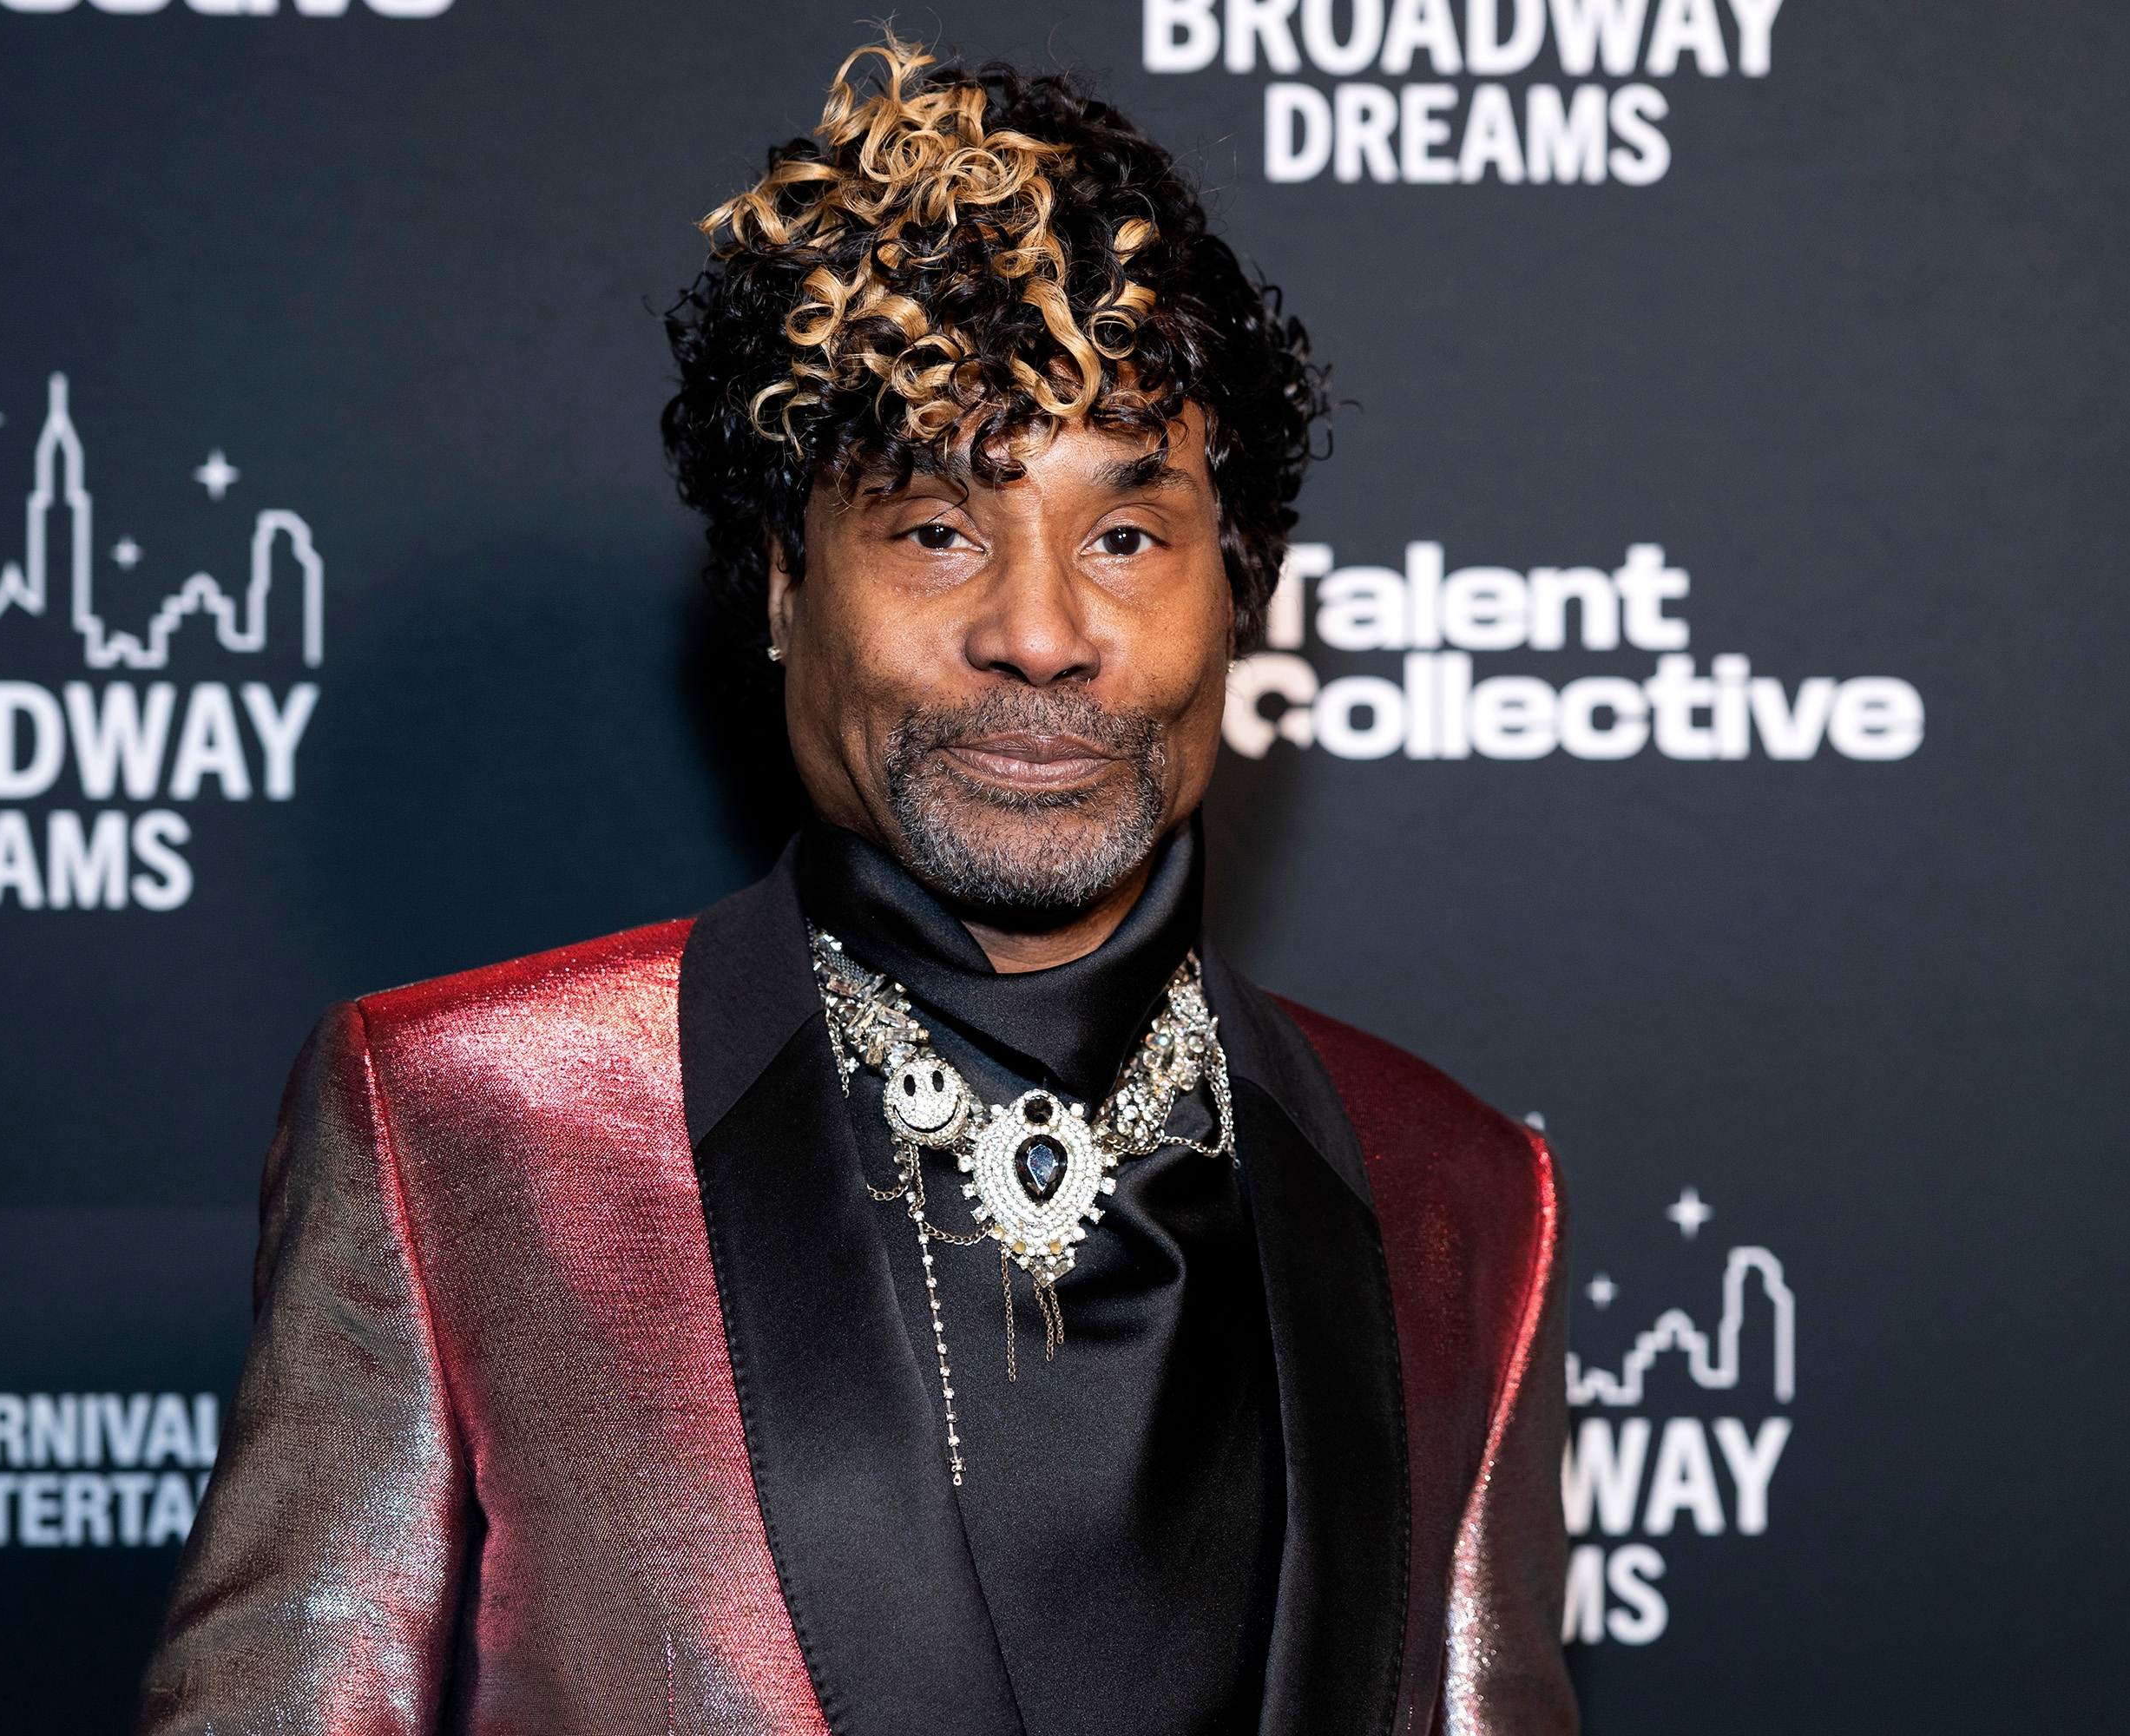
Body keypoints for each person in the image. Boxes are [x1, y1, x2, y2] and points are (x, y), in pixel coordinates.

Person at [137, 36, 1573, 1736]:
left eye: (1126, 536)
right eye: (936, 529)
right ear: (780, 585)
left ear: (1237, 593)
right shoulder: (462, 1133)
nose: (1040, 632)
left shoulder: (1460, 1199)